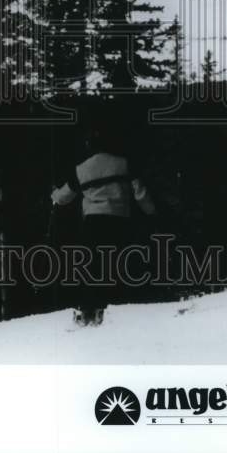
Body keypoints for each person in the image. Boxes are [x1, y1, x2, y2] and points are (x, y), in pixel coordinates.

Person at [51, 131, 156, 326]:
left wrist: (54, 195)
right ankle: (112, 308)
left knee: (93, 266)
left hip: (93, 222)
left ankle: (90, 309)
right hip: (119, 220)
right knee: (118, 264)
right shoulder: (124, 164)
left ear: (90, 146)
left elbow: (64, 197)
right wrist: (151, 212)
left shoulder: (81, 169)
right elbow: (140, 193)